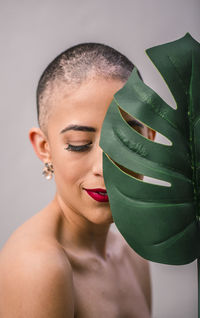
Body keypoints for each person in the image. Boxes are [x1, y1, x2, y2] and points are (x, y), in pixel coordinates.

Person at [0, 43, 155, 317]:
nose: (104, 167)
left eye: (127, 139)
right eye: (79, 143)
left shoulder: (133, 254)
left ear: (149, 136)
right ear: (44, 147)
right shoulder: (38, 268)